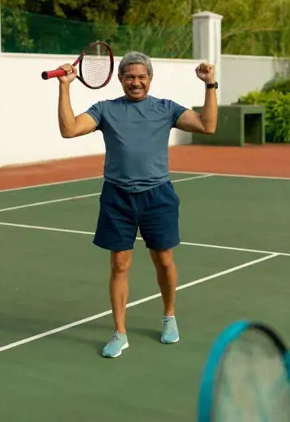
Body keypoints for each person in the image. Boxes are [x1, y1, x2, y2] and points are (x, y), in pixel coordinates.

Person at [55, 51, 218, 358]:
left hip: (158, 196)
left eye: (141, 77)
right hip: (117, 197)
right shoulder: (105, 110)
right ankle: (120, 333)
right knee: (119, 265)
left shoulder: (165, 109)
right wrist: (64, 86)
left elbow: (207, 126)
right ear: (120, 80)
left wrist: (210, 85)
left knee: (164, 261)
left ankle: (169, 316)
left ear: (150, 79)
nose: (136, 82)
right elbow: (69, 129)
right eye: (129, 76)